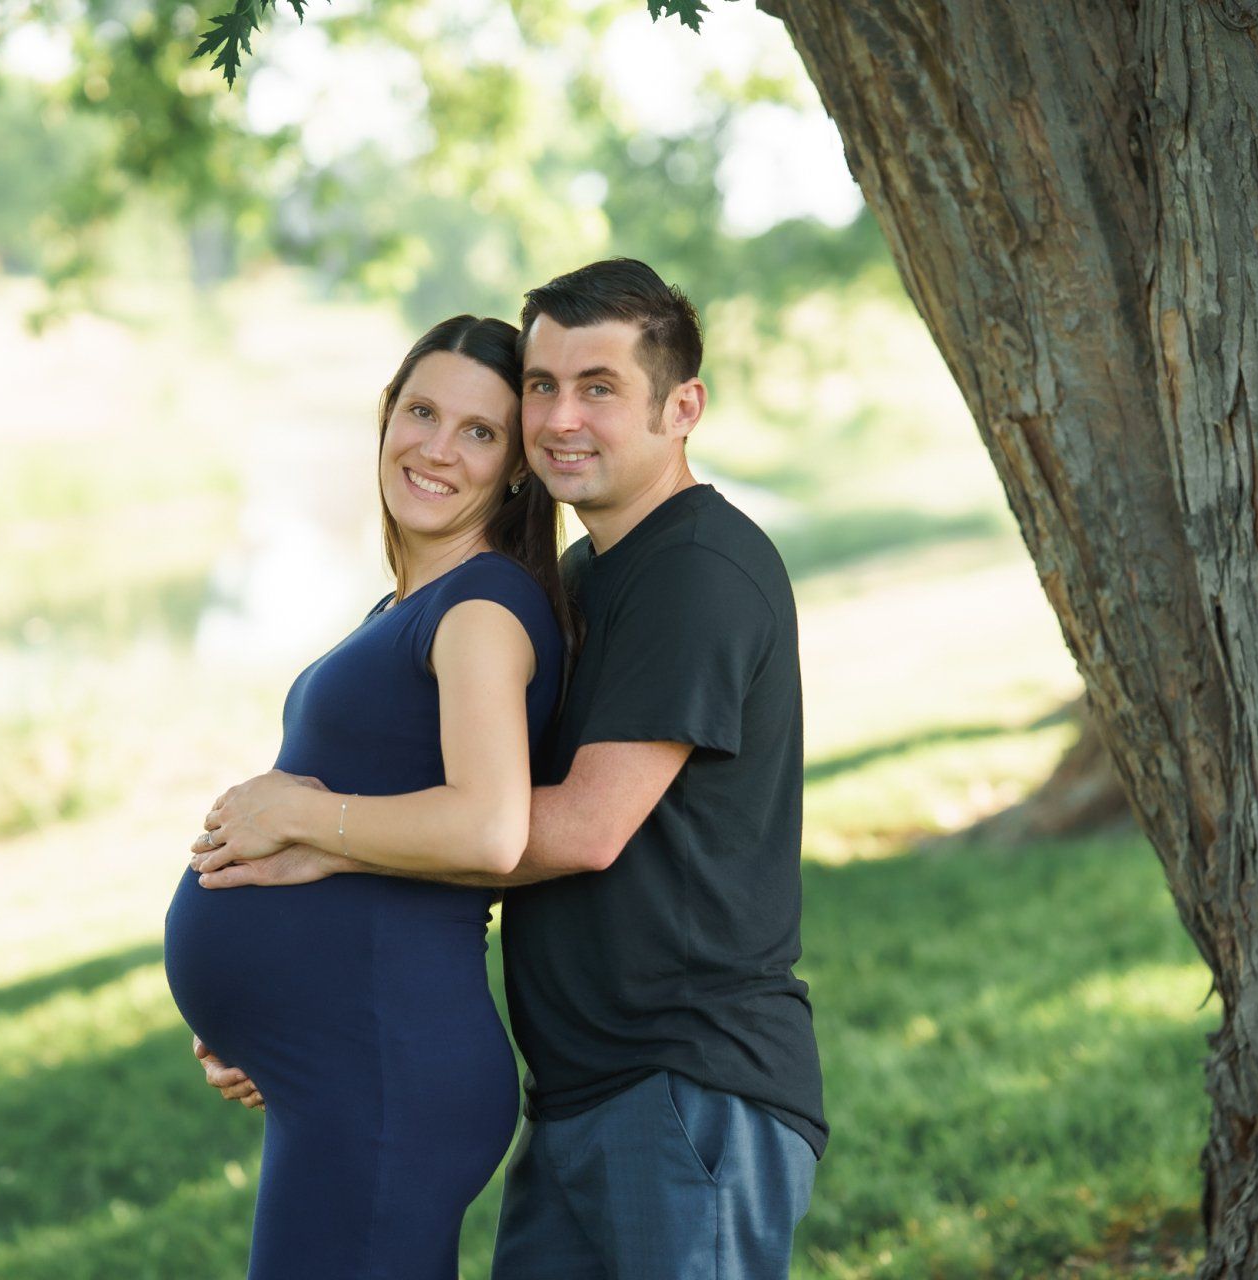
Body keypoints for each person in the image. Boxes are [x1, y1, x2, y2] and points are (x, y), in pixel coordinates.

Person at [190, 259, 828, 1279]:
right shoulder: (583, 579)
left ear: (683, 407)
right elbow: (475, 805)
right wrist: (297, 1008)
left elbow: (578, 826)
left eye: (600, 387)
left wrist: (322, 833)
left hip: (688, 1080)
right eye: (542, 385)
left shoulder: (696, 569)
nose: (561, 415)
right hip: (581, 1086)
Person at [163, 314, 568, 1280]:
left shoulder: (479, 609)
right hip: (349, 1063)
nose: (437, 447)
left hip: (388, 1070)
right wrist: (263, 1023)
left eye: (480, 432)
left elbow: (489, 826)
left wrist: (300, 817)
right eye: (421, 411)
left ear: (516, 468)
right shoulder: (409, 605)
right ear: (386, 416)